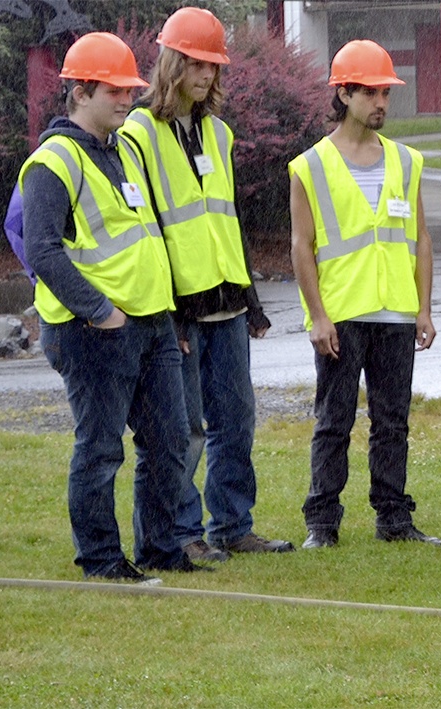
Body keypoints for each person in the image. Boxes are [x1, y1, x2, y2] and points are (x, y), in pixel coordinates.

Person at [24, 31, 202, 582]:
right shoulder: (53, 160)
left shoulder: (124, 148)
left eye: (131, 89)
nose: (128, 99)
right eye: (115, 90)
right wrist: (99, 311)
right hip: (92, 329)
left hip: (150, 323)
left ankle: (160, 549)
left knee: (170, 440)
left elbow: (144, 236)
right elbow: (42, 251)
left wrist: (165, 317)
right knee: (101, 450)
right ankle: (101, 561)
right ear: (80, 91)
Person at [118, 6, 293, 563]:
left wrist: (253, 303)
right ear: (172, 61)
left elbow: (226, 221)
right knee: (183, 429)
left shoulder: (219, 132)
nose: (206, 76)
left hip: (228, 304)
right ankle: (183, 533)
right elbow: (146, 227)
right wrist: (169, 313)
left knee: (235, 422)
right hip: (182, 311)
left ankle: (232, 526)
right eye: (196, 64)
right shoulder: (138, 132)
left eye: (213, 66)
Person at [288, 39, 441, 549]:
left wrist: (422, 308)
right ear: (344, 93)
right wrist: (317, 316)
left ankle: (394, 519)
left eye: (385, 93)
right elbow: (301, 246)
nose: (381, 102)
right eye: (371, 92)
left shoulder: (407, 161)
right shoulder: (309, 167)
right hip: (342, 311)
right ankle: (322, 523)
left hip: (396, 311)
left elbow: (420, 240)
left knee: (392, 422)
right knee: (333, 421)